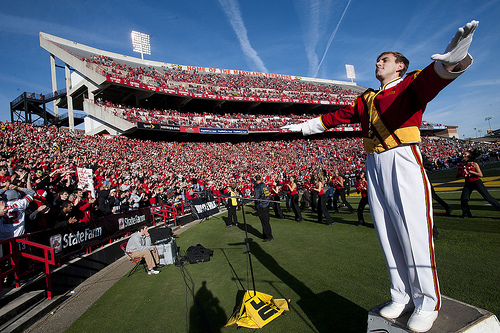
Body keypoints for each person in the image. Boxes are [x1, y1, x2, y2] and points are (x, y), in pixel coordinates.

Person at [282, 20, 478, 332]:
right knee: (387, 234)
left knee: (413, 232)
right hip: (374, 163)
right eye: (377, 60)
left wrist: (456, 55)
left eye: (384, 59)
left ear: (400, 66)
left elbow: (437, 77)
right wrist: (303, 127)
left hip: (402, 158)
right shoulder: (366, 98)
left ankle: (427, 301)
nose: (378, 63)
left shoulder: (411, 83)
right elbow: (335, 117)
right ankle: (400, 295)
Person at [457, 149, 500, 218]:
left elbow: (480, 174)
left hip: (476, 182)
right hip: (468, 183)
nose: (463, 155)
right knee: (464, 199)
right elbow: (457, 176)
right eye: (463, 154)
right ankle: (466, 214)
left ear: (469, 156)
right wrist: (460, 173)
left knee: (488, 197)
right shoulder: (463, 165)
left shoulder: (474, 164)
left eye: (465, 154)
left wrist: (471, 171)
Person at [254, 175, 273, 242]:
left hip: (262, 206)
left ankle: (268, 236)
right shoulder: (265, 186)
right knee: (266, 221)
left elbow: (256, 197)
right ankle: (266, 235)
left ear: (256, 180)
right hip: (266, 205)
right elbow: (267, 195)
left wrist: (256, 206)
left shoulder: (258, 187)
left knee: (264, 222)